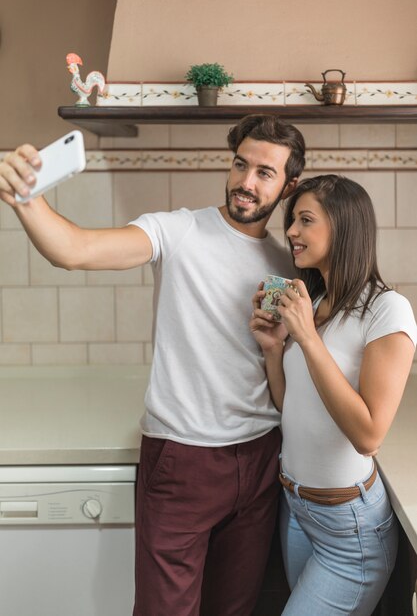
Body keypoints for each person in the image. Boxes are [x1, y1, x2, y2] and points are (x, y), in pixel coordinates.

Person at [0, 114, 306, 616]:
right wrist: (25, 198)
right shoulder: (178, 231)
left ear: (289, 185)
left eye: (264, 173)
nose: (246, 183)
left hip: (260, 460)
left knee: (235, 608)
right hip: (183, 460)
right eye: (239, 165)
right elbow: (74, 251)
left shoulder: (284, 263)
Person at [250, 174, 417, 616]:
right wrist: (273, 350)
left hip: (351, 531)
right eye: (293, 221)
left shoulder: (387, 310)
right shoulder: (318, 300)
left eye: (305, 220)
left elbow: (368, 435)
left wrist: (306, 339)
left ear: (343, 228)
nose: (290, 232)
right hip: (298, 511)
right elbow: (293, 409)